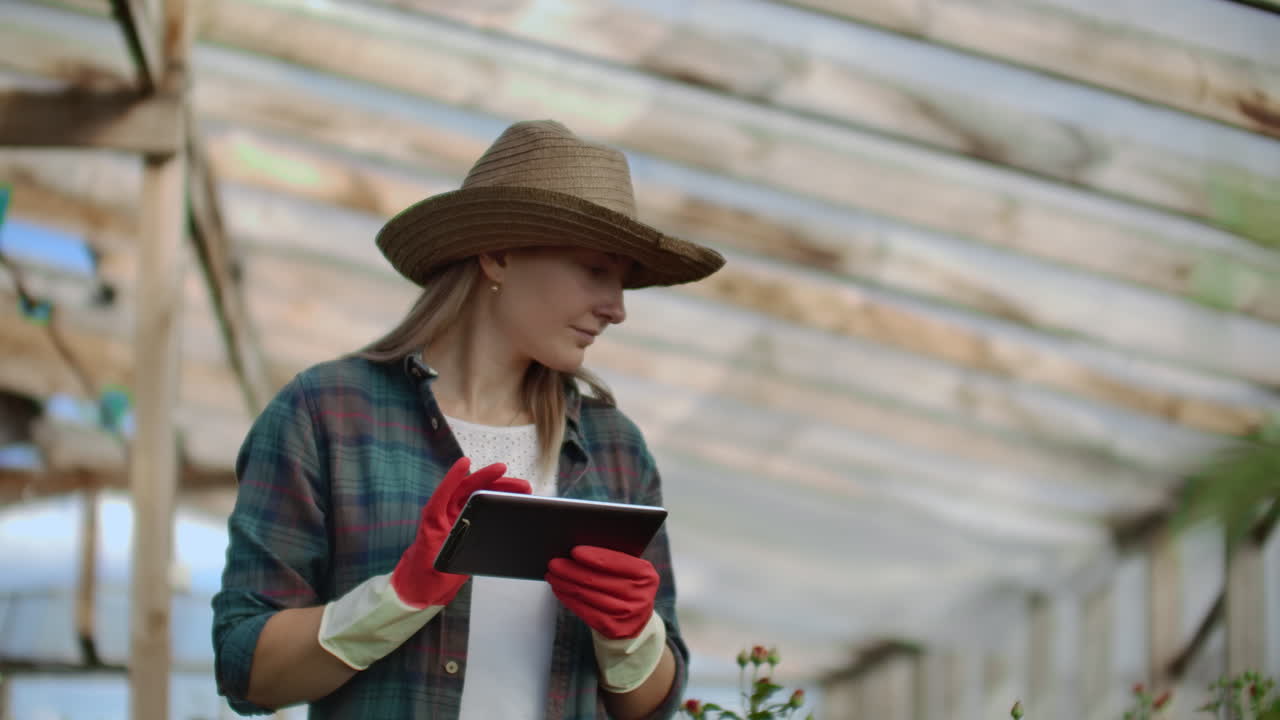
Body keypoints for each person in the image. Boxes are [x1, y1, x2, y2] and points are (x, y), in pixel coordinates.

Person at [211, 119, 726, 719]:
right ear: (499, 254)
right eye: (596, 269)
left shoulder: (616, 448)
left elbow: (650, 705)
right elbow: (244, 667)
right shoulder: (328, 415)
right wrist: (401, 596)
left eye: (624, 281)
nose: (617, 308)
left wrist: (632, 633)